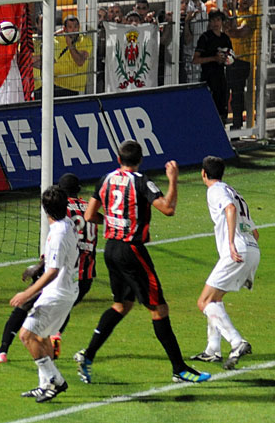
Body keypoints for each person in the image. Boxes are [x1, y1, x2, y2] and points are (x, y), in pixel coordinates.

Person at [73, 140, 211, 385]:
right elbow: (168, 209)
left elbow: (89, 215)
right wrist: (172, 179)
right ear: (140, 160)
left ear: (118, 159)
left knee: (121, 305)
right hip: (131, 251)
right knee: (159, 309)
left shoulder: (105, 179)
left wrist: (115, 223)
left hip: (111, 249)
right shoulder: (141, 181)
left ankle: (88, 355)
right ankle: (179, 369)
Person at [0, 173, 100, 363]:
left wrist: (37, 268)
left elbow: (57, 252)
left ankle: (3, 350)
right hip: (85, 274)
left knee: (23, 306)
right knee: (62, 309)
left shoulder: (61, 212)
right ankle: (55, 337)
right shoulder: (89, 208)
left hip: (63, 273)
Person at [191, 156, 260, 370]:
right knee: (215, 299)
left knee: (203, 302)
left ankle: (237, 342)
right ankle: (212, 350)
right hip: (252, 249)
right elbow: (255, 232)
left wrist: (230, 243)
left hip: (237, 250)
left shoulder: (216, 191)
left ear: (203, 173)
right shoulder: (234, 192)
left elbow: (229, 209)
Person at [13, 186, 79, 403]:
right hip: (65, 290)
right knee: (42, 337)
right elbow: (55, 261)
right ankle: (44, 386)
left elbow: (53, 271)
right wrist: (37, 266)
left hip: (57, 294)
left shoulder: (58, 233)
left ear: (44, 209)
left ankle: (56, 380)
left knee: (25, 335)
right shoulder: (67, 223)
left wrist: (26, 293)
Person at [33, 15, 92, 98]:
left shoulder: (84, 40)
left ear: (79, 27)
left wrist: (70, 45)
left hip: (72, 87)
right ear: (65, 29)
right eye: (70, 27)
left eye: (76, 26)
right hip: (55, 84)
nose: (73, 29)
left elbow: (80, 61)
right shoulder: (57, 39)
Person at [193, 10, 233, 121]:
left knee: (222, 107)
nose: (215, 23)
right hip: (208, 78)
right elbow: (195, 60)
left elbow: (231, 58)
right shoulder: (205, 38)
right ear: (209, 22)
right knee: (209, 109)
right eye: (213, 20)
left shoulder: (225, 39)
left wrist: (225, 59)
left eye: (218, 20)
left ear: (222, 22)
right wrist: (213, 58)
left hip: (221, 78)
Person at [225, 0, 256, 131]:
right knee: (224, 92)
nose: (244, 0)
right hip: (227, 58)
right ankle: (223, 121)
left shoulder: (251, 17)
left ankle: (237, 125)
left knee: (237, 93)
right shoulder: (233, 14)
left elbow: (236, 33)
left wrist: (230, 28)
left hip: (242, 59)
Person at [183, 0, 208, 83]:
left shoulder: (204, 7)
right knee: (192, 82)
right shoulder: (185, 8)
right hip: (191, 53)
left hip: (204, 53)